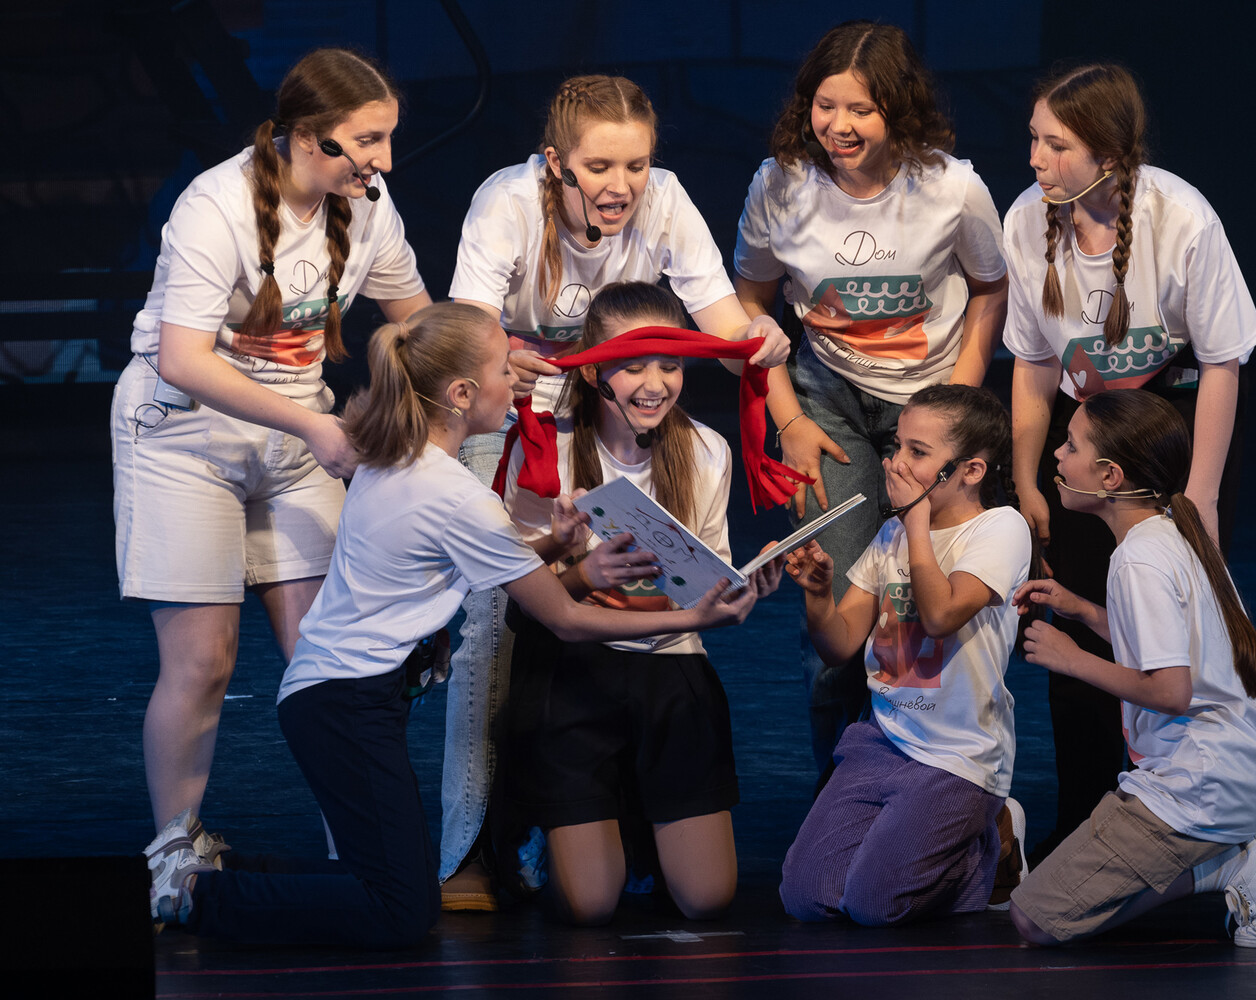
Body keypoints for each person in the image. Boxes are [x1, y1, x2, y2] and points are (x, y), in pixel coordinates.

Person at [142, 302, 768, 947]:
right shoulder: (456, 496)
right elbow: (564, 619)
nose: (516, 381)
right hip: (344, 702)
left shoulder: (403, 457)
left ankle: (217, 873)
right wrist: (697, 615)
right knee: (400, 911)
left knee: (397, 888)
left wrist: (555, 544)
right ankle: (195, 896)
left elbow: (487, 558)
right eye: (504, 369)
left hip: (341, 696)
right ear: (464, 394)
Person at [440, 75, 796, 906]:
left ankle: (618, 807)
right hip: (518, 409)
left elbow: (722, 320)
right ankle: (472, 846)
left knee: (659, 574)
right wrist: (507, 363)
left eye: (636, 164)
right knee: (492, 627)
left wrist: (760, 340)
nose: (622, 184)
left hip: (619, 402)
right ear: (556, 162)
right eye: (600, 166)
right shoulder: (508, 203)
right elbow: (464, 335)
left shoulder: (665, 201)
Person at [110, 48, 432, 838]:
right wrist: (316, 425)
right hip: (185, 435)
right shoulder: (214, 205)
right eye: (369, 141)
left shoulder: (368, 205)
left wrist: (486, 359)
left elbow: (418, 320)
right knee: (204, 660)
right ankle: (176, 853)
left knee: (332, 659)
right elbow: (183, 359)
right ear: (310, 136)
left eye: (388, 138)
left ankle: (360, 853)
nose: (385, 160)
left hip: (295, 440)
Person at [1001, 63, 1256, 858]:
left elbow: (1222, 363)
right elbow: (1032, 364)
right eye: (1034, 139)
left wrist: (1201, 497)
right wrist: (1026, 478)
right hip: (1084, 429)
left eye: (1056, 144)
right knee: (1076, 612)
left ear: (1108, 156)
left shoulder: (1181, 217)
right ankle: (1085, 819)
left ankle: (1196, 815)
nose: (1036, 159)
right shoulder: (1027, 221)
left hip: (1168, 427)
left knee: (1175, 619)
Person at [734, 21, 1009, 772]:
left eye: (861, 109)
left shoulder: (952, 188)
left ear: (899, 109)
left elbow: (990, 289)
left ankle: (933, 780)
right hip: (825, 400)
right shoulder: (779, 184)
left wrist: (957, 403)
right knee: (829, 600)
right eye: (826, 106)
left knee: (922, 601)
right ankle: (839, 792)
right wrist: (789, 418)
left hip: (930, 403)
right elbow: (750, 304)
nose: (839, 126)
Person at [499, 282, 785, 925]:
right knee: (590, 906)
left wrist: (744, 585)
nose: (655, 384)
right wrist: (580, 571)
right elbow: (521, 601)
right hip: (573, 672)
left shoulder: (706, 450)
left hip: (669, 667)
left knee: (706, 899)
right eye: (633, 366)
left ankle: (635, 815)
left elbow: (704, 577)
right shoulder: (546, 447)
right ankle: (544, 822)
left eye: (669, 365)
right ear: (594, 371)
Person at [1007, 389, 1256, 948]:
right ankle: (1239, 847)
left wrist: (1072, 660)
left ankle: (1231, 866)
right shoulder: (1174, 531)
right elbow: (1173, 646)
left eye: (1071, 446)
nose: (1057, 455)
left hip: (1201, 788)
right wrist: (1083, 611)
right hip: (1242, 773)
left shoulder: (1137, 560)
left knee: (1036, 917)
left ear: (1109, 476)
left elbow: (1171, 691)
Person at [778, 385, 1030, 926]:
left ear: (971, 471)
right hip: (884, 740)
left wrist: (915, 522)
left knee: (876, 905)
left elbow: (941, 616)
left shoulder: (1000, 528)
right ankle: (903, 839)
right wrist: (818, 595)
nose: (895, 463)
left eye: (918, 452)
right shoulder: (893, 533)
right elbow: (840, 644)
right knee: (808, 898)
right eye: (898, 446)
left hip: (957, 755)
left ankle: (993, 844)